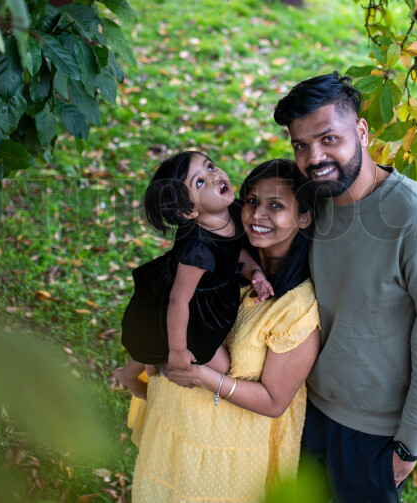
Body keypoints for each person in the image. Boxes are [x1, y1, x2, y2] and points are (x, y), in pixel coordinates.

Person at [273, 72, 417, 502]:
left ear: (361, 131)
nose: (315, 157)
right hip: (307, 408)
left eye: (329, 139)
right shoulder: (313, 203)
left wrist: (408, 446)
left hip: (375, 434)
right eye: (301, 146)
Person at [130, 159, 321, 502]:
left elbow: (275, 401)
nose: (256, 215)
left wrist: (200, 376)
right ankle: (132, 369)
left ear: (304, 217)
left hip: (225, 454)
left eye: (275, 206)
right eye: (252, 202)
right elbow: (176, 304)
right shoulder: (209, 248)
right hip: (176, 431)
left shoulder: (296, 306)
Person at [115, 151, 273, 399]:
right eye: (199, 182)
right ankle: (133, 374)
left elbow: (235, 250)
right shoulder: (197, 251)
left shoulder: (232, 212)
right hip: (184, 303)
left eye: (210, 166)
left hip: (208, 292)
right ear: (187, 213)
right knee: (154, 341)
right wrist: (178, 351)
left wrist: (255, 272)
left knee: (156, 342)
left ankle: (138, 369)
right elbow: (179, 301)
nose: (214, 177)